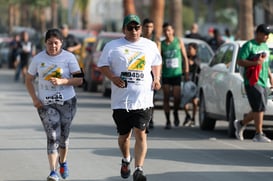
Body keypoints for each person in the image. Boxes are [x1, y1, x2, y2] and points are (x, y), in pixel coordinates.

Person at [98, 14, 162, 181]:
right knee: (124, 137)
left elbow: (156, 63)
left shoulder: (150, 45)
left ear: (141, 29)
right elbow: (102, 65)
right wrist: (112, 77)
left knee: (141, 133)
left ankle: (139, 169)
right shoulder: (113, 46)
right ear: (124, 29)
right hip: (121, 101)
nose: (134, 31)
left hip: (143, 99)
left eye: (137, 27)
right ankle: (126, 158)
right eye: (130, 28)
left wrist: (157, 79)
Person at [25, 28, 83, 181]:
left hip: (67, 102)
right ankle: (53, 171)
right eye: (50, 43)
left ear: (61, 43)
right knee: (52, 136)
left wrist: (63, 81)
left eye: (56, 43)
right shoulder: (38, 59)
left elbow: (79, 80)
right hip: (46, 104)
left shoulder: (69, 57)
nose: (53, 46)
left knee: (63, 137)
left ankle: (63, 162)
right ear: (45, 43)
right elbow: (28, 79)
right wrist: (34, 98)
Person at [234, 24, 273, 143]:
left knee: (259, 108)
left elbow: (265, 64)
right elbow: (240, 62)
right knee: (259, 107)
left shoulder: (265, 46)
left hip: (263, 81)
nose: (267, 36)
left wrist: (270, 76)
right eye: (265, 34)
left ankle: (241, 124)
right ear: (259, 33)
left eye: (268, 35)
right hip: (252, 81)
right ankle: (258, 133)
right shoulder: (249, 46)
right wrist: (255, 63)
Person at [161, 22, 189, 129]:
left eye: (169, 30)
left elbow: (185, 57)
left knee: (177, 98)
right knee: (166, 97)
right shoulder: (162, 44)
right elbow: (159, 59)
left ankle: (176, 112)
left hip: (177, 74)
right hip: (166, 74)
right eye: (165, 31)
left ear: (173, 31)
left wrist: (186, 72)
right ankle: (168, 120)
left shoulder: (178, 42)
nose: (167, 33)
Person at [142, 18, 160, 129]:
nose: (148, 29)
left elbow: (158, 60)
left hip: (152, 73)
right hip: (141, 72)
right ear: (142, 28)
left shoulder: (156, 42)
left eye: (150, 27)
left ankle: (150, 118)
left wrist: (158, 77)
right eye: (147, 27)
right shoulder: (138, 40)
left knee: (151, 98)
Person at [182, 42, 201, 127]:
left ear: (195, 50)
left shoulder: (197, 59)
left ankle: (193, 118)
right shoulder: (185, 58)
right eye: (187, 49)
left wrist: (192, 63)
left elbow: (198, 65)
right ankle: (187, 116)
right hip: (186, 84)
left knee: (194, 101)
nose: (188, 50)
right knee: (184, 102)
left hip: (195, 84)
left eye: (190, 49)